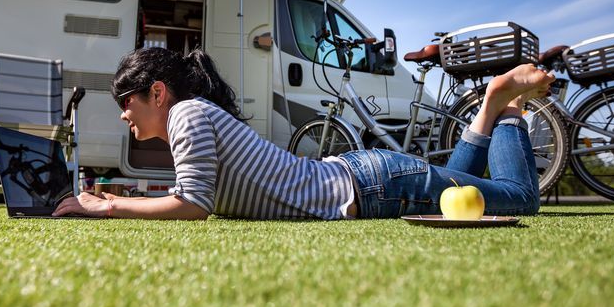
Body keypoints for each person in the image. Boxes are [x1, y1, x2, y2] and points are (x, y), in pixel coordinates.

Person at [53, 47, 555, 219]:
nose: (123, 114)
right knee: (455, 190)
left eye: (127, 103)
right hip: (368, 179)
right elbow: (193, 191)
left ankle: (503, 107)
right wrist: (123, 197)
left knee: (518, 198)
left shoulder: (186, 115)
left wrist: (112, 205)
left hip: (373, 188)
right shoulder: (192, 116)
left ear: (157, 93)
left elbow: (194, 205)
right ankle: (491, 112)